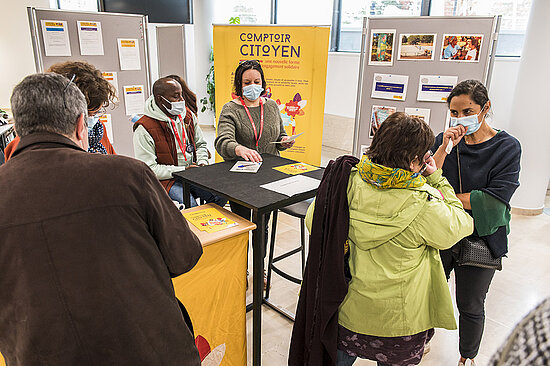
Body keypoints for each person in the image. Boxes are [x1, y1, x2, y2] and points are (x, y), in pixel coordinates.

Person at [0, 73, 203, 364]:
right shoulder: (128, 174)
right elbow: (184, 256)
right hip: (148, 349)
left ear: (18, 127)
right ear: (82, 125)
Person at [289, 112, 474, 366]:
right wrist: (436, 178)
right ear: (413, 162)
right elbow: (461, 225)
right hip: (399, 323)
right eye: (425, 157)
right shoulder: (424, 203)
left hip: (347, 313)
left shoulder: (344, 182)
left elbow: (314, 222)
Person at [432, 80, 521, 366]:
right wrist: (445, 147)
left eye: (467, 111)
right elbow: (425, 177)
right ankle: (421, 339)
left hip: (481, 235)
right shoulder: (444, 141)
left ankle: (467, 356)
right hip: (443, 230)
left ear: (485, 108)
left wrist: (446, 195)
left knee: (470, 303)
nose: (460, 119)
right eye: (454, 113)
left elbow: (494, 199)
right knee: (429, 290)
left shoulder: (507, 147)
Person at [215, 60, 294, 286]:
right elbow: (222, 141)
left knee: (263, 226)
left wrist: (284, 141)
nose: (252, 86)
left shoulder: (270, 106)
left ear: (263, 83)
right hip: (242, 179)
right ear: (239, 85)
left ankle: (259, 270)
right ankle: (241, 271)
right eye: (247, 82)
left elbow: (279, 134)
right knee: (242, 226)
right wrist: (238, 148)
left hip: (270, 176)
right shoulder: (231, 109)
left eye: (256, 81)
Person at [133, 77, 226, 207]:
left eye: (181, 95)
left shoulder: (187, 116)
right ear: (160, 99)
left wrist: (202, 162)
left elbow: (200, 144)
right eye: (176, 97)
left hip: (192, 173)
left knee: (222, 194)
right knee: (191, 207)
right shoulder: (144, 128)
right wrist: (183, 170)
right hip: (167, 180)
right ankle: (190, 226)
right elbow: (149, 168)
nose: (182, 100)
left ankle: (210, 225)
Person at [3, 61, 117, 159]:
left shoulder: (98, 131)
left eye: (96, 113)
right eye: (88, 115)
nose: (92, 120)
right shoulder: (24, 147)